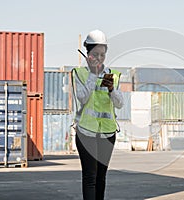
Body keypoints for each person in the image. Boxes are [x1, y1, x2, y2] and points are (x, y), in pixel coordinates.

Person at [72, 29, 124, 200]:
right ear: (88, 54)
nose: (100, 58)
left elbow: (120, 103)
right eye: (96, 54)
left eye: (103, 54)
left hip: (107, 133)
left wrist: (111, 90)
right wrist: (93, 75)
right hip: (86, 132)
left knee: (101, 178)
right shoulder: (79, 74)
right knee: (90, 177)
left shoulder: (113, 76)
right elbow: (81, 98)